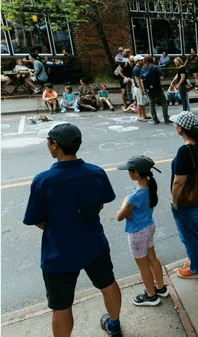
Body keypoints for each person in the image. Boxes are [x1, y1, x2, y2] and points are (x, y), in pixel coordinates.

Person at [24, 123, 122, 337]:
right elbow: (101, 204)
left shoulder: (43, 181)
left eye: (49, 141)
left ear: (55, 145)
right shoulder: (96, 172)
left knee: (61, 307)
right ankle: (115, 324)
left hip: (58, 253)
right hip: (94, 244)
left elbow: (37, 220)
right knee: (108, 284)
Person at [116, 155, 168, 306]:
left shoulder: (135, 195)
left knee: (142, 265)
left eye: (129, 170)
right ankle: (160, 288)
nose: (128, 173)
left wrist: (125, 201)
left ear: (136, 173)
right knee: (152, 258)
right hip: (149, 227)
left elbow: (120, 216)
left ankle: (151, 296)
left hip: (137, 233)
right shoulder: (148, 189)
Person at [170, 111, 198, 279]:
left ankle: (196, 269)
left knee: (190, 235)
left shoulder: (184, 150)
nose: (175, 126)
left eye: (176, 124)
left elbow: (178, 182)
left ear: (181, 128)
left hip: (187, 200)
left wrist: (174, 201)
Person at [141, 55, 171, 125]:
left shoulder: (143, 69)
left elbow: (142, 80)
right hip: (157, 87)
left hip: (148, 88)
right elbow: (161, 77)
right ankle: (166, 117)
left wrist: (144, 89)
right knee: (164, 102)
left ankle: (155, 118)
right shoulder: (155, 67)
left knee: (151, 103)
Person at [132, 55, 149, 122]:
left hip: (142, 87)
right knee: (139, 102)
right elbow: (137, 80)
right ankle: (140, 116)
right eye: (141, 60)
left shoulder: (140, 67)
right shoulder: (136, 69)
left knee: (143, 102)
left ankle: (144, 114)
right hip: (138, 88)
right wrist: (142, 89)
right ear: (137, 61)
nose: (142, 61)